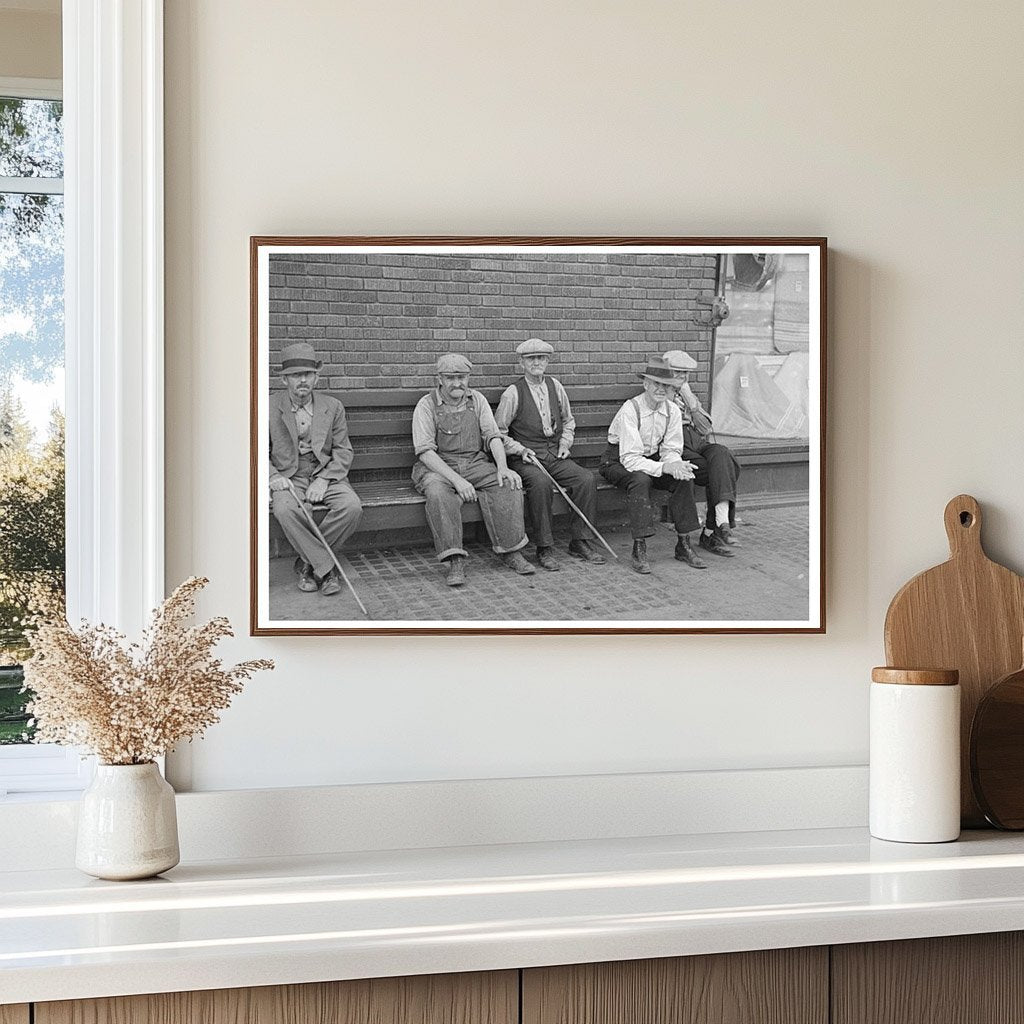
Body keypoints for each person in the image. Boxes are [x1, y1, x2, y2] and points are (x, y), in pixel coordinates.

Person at [411, 353, 534, 587]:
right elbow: (425, 452)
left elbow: (492, 435)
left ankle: (511, 550)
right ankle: (454, 559)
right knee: (438, 493)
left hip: (475, 463)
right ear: (439, 378)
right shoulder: (426, 405)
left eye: (462, 377)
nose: (457, 383)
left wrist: (502, 467)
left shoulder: (476, 400)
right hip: (438, 467)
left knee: (507, 483)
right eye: (450, 378)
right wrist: (458, 481)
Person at [494, 338, 605, 571]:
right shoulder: (513, 393)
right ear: (521, 362)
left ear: (547, 361)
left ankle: (580, 541)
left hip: (554, 454)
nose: (537, 362)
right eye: (531, 358)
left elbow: (568, 420)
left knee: (585, 479)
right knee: (541, 483)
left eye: (541, 358)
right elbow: (498, 433)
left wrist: (565, 442)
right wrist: (520, 449)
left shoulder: (556, 386)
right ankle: (544, 548)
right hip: (526, 459)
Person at [269, 342, 363, 596]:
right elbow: (253, 450)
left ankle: (306, 563)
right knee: (285, 509)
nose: (303, 380)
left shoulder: (332, 406)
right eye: (296, 375)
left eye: (307, 374)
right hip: (288, 475)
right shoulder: (267, 406)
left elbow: (343, 451)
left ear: (316, 377)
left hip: (326, 472)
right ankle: (327, 569)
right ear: (284, 380)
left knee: (351, 507)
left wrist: (323, 479)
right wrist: (272, 476)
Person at [600, 356, 706, 574]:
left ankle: (684, 544)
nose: (661, 389)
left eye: (666, 385)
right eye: (656, 383)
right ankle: (639, 547)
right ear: (645, 384)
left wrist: (675, 465)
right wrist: (663, 468)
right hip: (618, 461)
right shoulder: (631, 409)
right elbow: (629, 459)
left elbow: (670, 449)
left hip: (650, 459)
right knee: (640, 479)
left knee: (684, 475)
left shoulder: (672, 411)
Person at [662, 349, 741, 555]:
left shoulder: (687, 394)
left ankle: (719, 525)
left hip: (696, 441)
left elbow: (705, 429)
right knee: (723, 469)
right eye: (678, 372)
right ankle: (713, 532)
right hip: (675, 446)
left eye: (686, 373)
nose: (683, 377)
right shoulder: (658, 392)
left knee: (722, 454)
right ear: (666, 371)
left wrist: (689, 399)